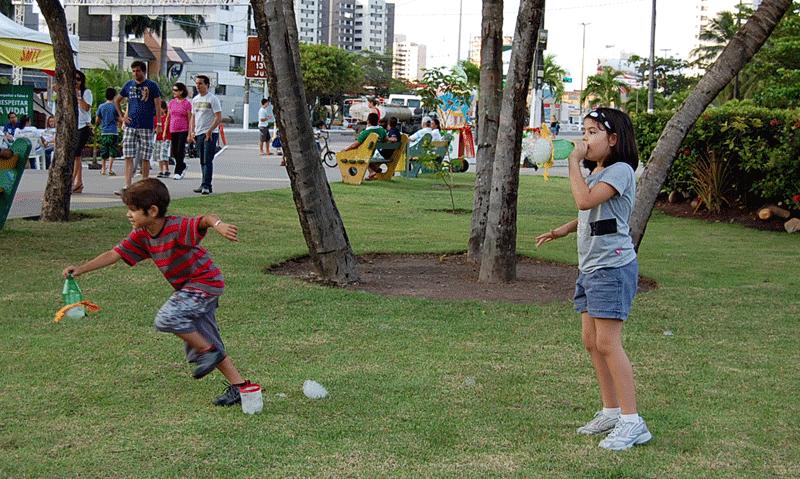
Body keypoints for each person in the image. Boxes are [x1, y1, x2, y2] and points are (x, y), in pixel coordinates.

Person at [62, 178, 253, 407]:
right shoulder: (142, 235)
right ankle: (241, 387)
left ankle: (207, 351)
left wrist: (219, 225)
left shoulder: (175, 227)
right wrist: (81, 269)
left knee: (167, 318)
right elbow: (114, 254)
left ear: (152, 211)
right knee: (206, 338)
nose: (128, 214)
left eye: (133, 210)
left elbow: (205, 219)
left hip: (204, 283)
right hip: (190, 288)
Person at [535, 107, 650, 451]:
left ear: (613, 139)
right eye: (584, 132)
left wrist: (572, 162)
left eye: (592, 132)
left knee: (608, 343)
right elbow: (595, 215)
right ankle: (611, 411)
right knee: (591, 341)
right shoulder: (599, 172)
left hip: (612, 269)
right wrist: (563, 230)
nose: (584, 139)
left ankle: (632, 421)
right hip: (590, 268)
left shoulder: (621, 171)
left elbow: (585, 201)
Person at [115, 60, 162, 196]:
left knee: (145, 156)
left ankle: (144, 186)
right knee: (128, 155)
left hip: (146, 125)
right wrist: (122, 117)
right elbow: (117, 100)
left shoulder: (152, 85)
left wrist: (159, 123)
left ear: (144, 71)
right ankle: (127, 185)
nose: (135, 73)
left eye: (138, 71)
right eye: (133, 71)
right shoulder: (129, 85)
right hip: (131, 125)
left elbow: (158, 105)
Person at [188, 75, 222, 195]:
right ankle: (204, 183)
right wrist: (191, 132)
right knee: (202, 160)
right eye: (197, 83)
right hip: (199, 133)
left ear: (207, 85)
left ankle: (206, 185)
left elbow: (218, 117)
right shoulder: (195, 100)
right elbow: (193, 117)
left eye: (200, 83)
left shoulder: (212, 99)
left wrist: (210, 130)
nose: (198, 86)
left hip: (210, 133)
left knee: (207, 160)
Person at [72, 70, 93, 193]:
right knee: (77, 155)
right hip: (73, 126)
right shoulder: (69, 92)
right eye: (74, 79)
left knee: (76, 154)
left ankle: (72, 182)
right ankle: (78, 182)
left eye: (78, 79)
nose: (76, 82)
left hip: (83, 126)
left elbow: (86, 108)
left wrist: (78, 96)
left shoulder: (86, 92)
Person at [166, 82, 191, 180]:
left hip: (183, 129)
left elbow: (190, 118)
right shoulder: (171, 102)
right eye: (173, 90)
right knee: (174, 151)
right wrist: (165, 131)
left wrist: (190, 133)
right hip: (173, 129)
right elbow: (168, 117)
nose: (174, 92)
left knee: (180, 150)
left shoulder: (186, 103)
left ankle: (178, 171)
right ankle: (182, 165)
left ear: (181, 91)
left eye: (176, 90)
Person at [96, 87, 120, 176]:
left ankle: (103, 169)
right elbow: (119, 118)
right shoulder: (115, 106)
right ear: (114, 96)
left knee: (104, 151)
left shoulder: (101, 106)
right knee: (112, 151)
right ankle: (110, 169)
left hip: (104, 132)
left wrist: (97, 125)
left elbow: (97, 120)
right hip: (113, 132)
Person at [155, 100, 172, 178]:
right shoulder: (155, 118)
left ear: (164, 109)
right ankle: (161, 170)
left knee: (163, 154)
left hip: (166, 137)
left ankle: (167, 170)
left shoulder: (167, 117)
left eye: (160, 108)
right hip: (158, 138)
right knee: (158, 154)